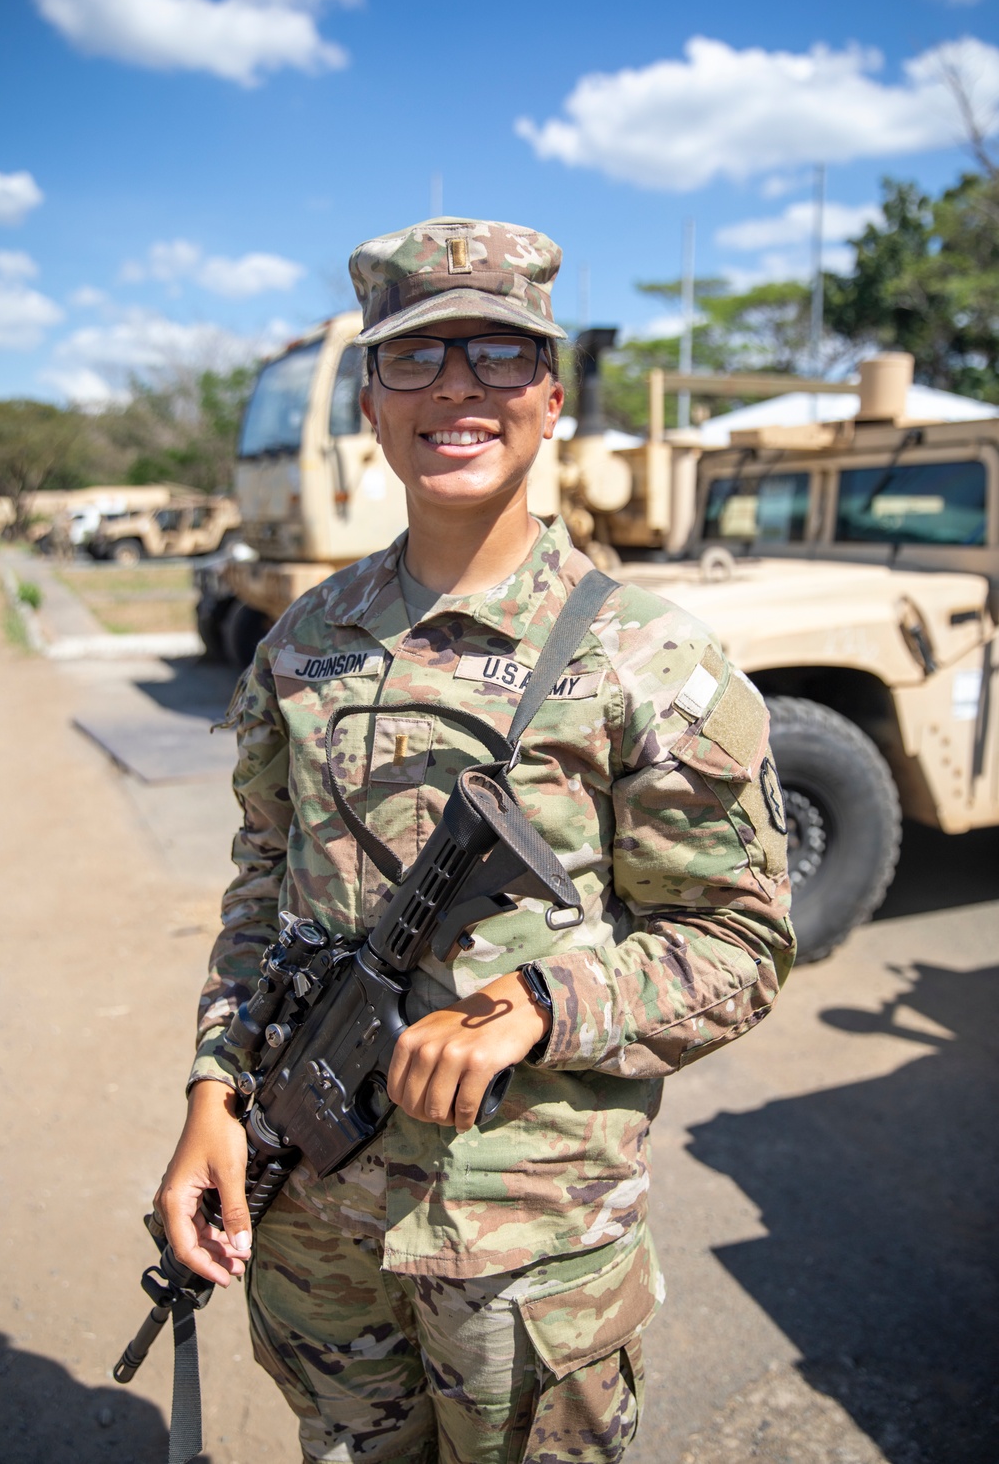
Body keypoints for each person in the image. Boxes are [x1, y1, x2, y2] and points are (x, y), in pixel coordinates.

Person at [156, 218, 796, 1464]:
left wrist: (535, 1008)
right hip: (312, 1223)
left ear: (551, 397)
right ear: (370, 403)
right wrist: (212, 1095)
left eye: (501, 354)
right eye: (415, 357)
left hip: (524, 1244)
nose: (457, 385)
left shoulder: (648, 658)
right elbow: (259, 898)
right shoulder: (304, 643)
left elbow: (740, 939)